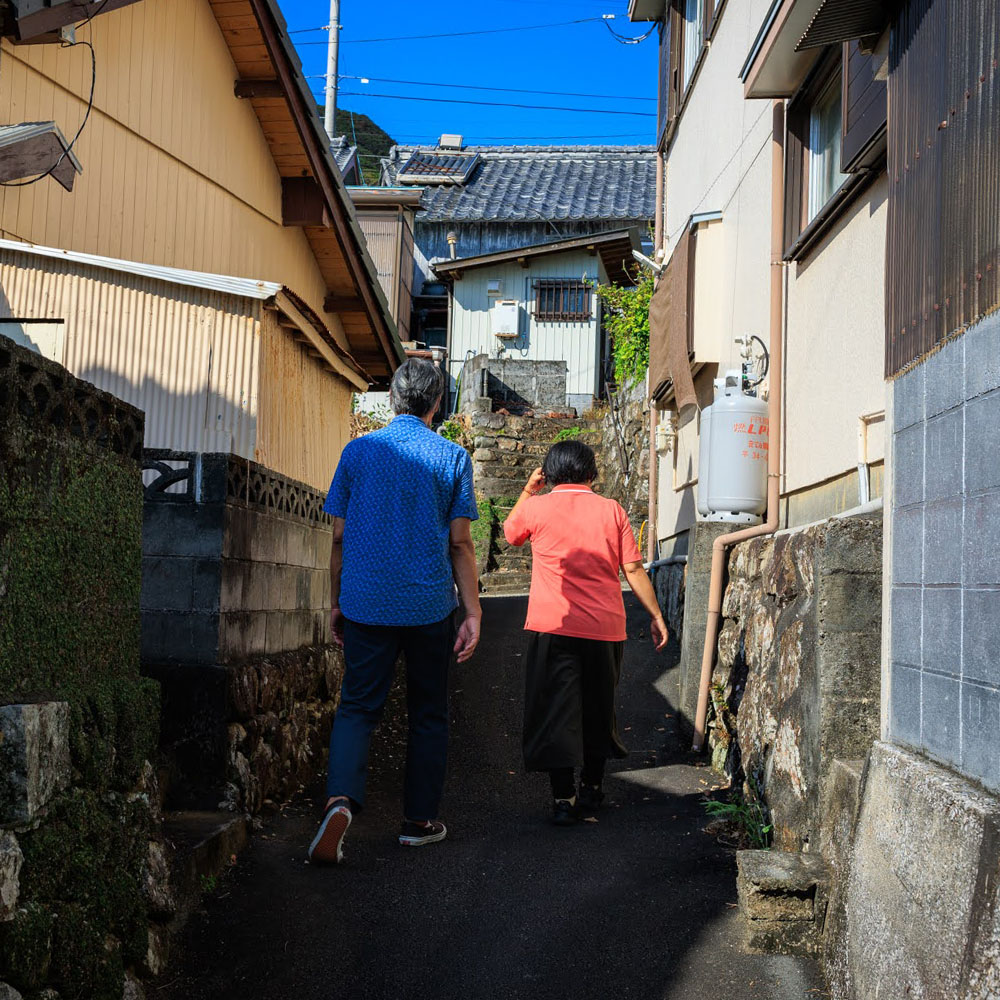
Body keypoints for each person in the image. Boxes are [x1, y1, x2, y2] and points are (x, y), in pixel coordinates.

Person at [308, 359, 482, 864]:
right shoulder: (452, 457)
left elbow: (338, 535)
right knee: (429, 713)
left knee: (358, 707)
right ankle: (418, 823)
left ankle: (340, 801)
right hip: (429, 606)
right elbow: (462, 544)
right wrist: (472, 612)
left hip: (364, 602)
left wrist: (336, 600)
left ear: (391, 400)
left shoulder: (357, 452)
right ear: (436, 403)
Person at [502, 439, 668, 825]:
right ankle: (592, 787)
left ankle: (564, 799)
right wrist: (656, 616)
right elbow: (634, 569)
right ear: (592, 473)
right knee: (598, 707)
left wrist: (529, 490)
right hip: (605, 629)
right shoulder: (612, 510)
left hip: (552, 628)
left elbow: (511, 534)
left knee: (555, 711)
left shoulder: (537, 507)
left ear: (550, 472)